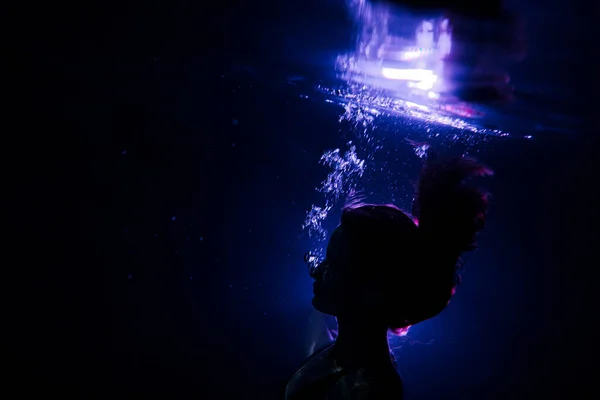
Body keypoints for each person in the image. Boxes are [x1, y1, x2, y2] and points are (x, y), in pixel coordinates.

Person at [285, 151, 493, 399]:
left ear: (372, 288)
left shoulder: (369, 391)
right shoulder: (345, 360)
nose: (318, 270)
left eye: (334, 264)